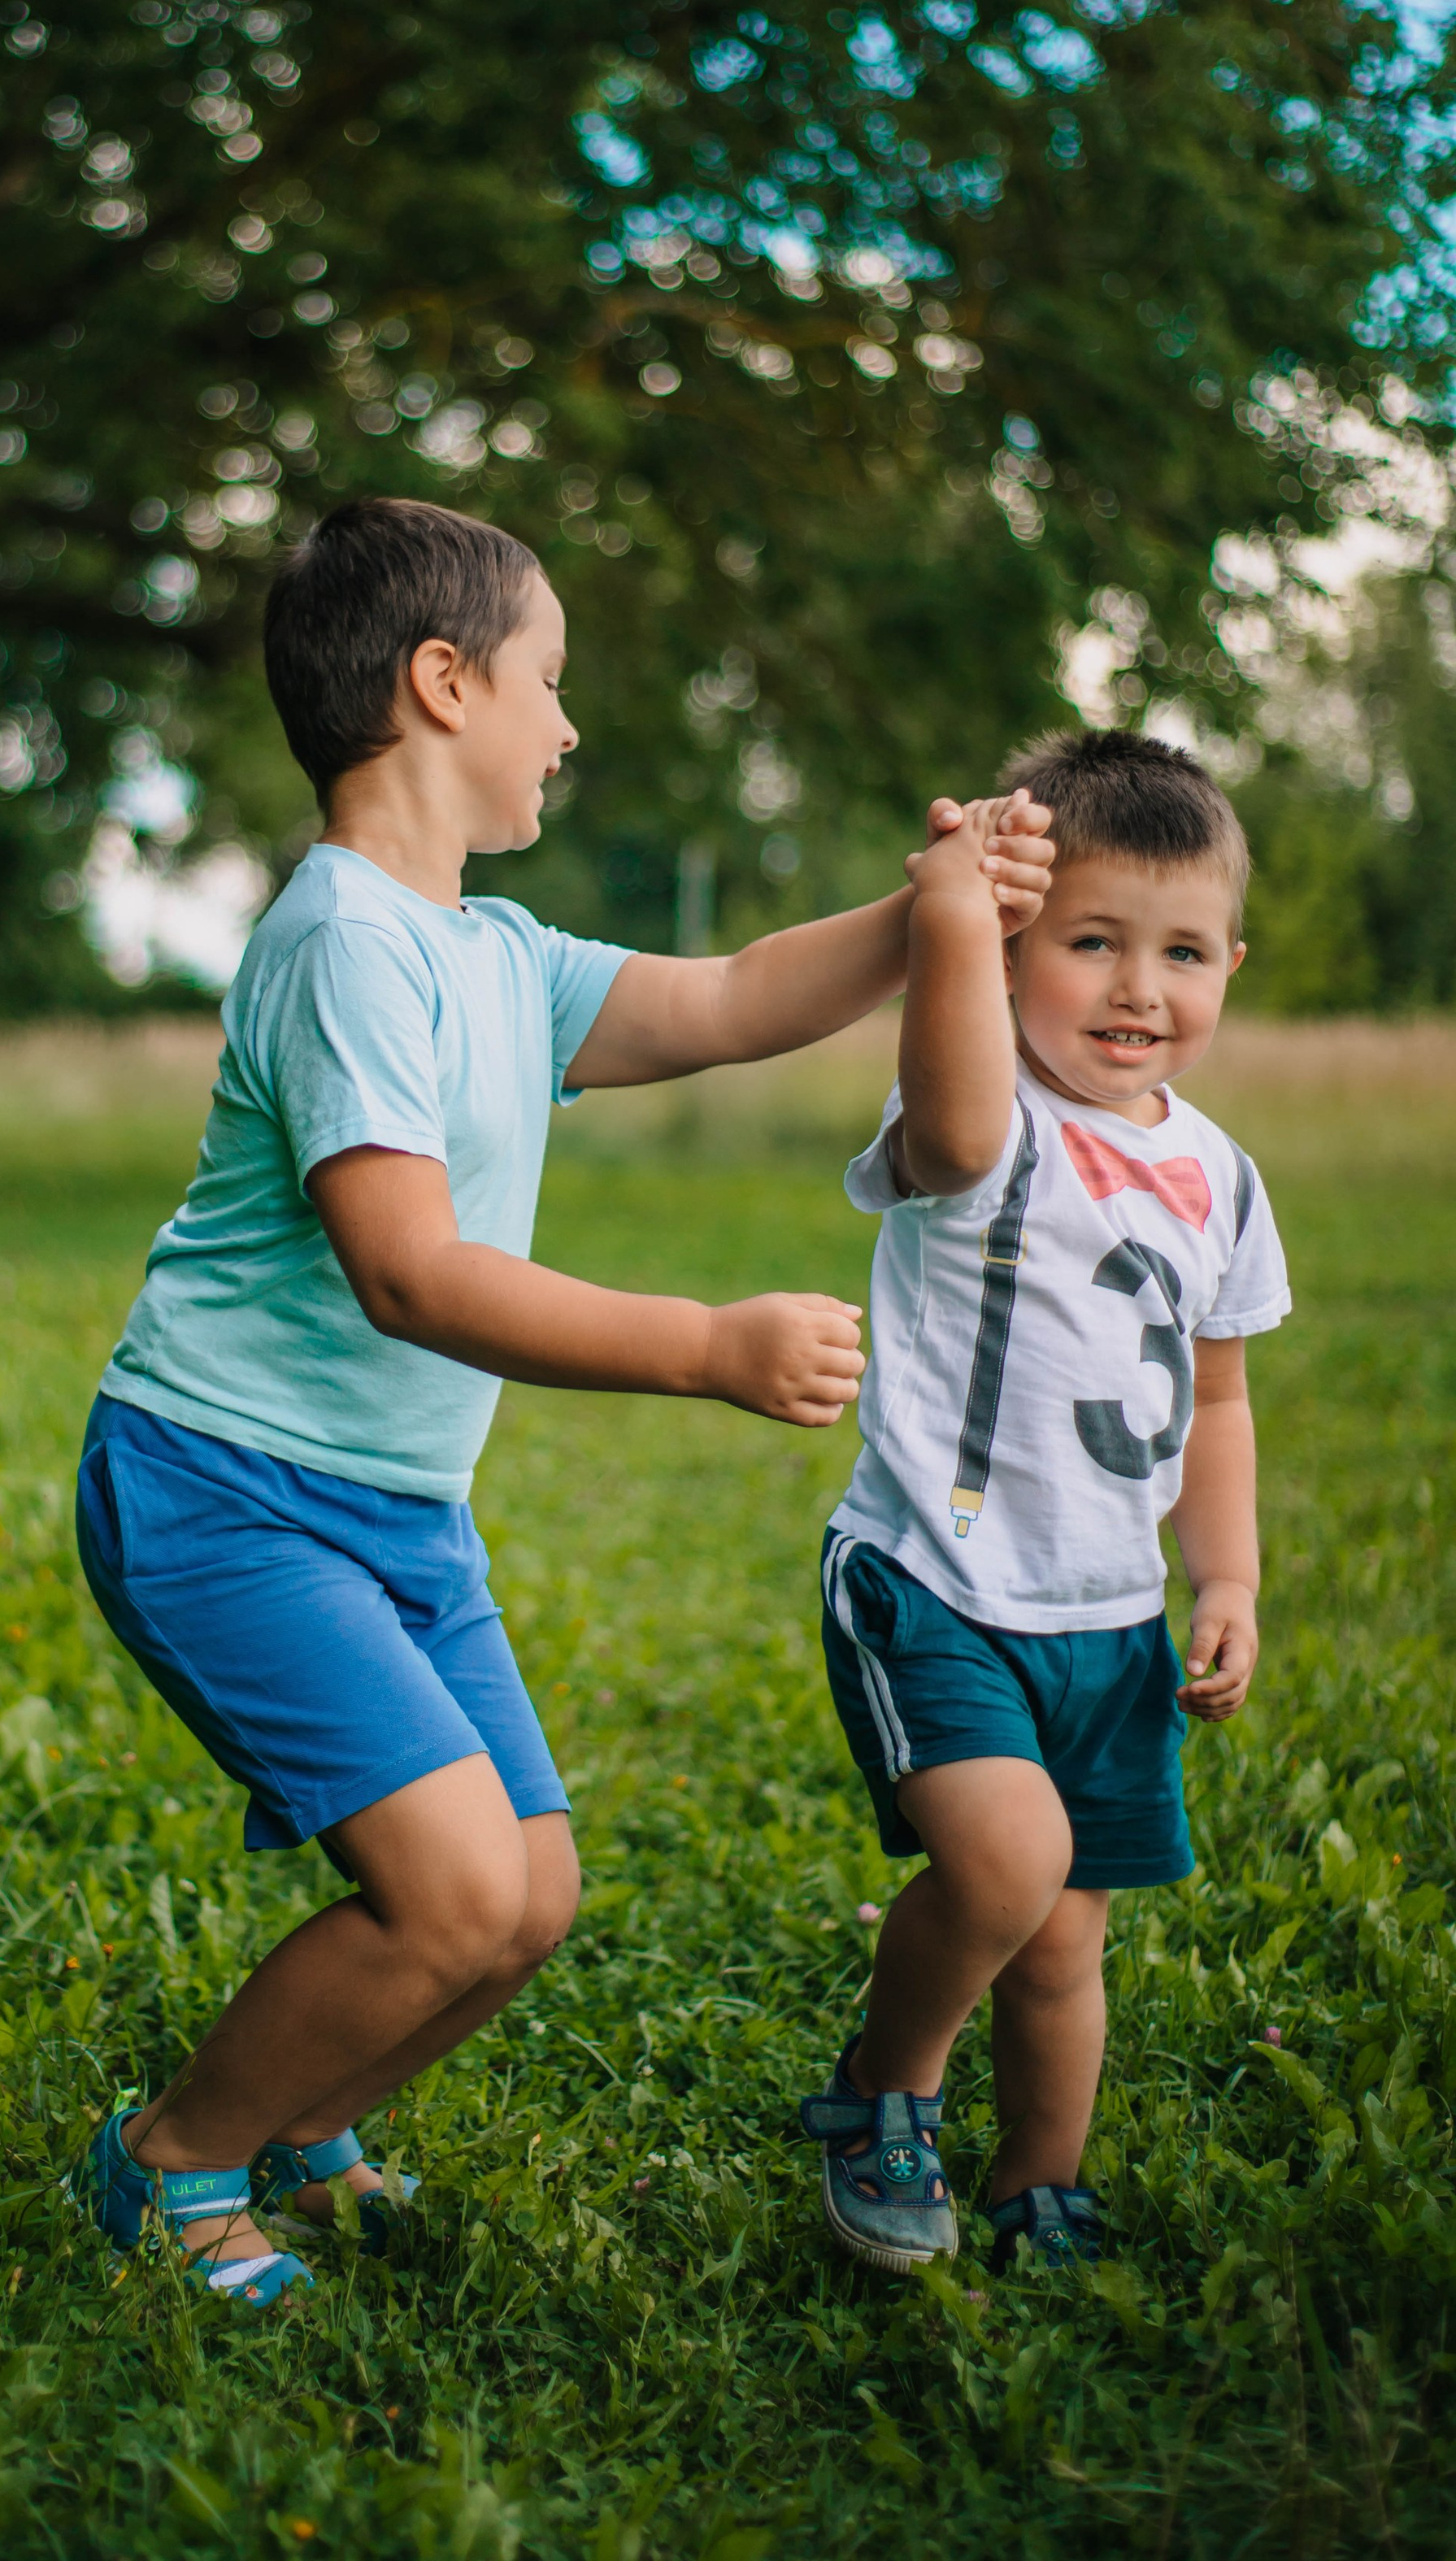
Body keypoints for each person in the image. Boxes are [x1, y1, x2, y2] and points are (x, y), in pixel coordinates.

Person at [72, 497, 1054, 2304]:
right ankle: (170, 2163)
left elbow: (742, 996)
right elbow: (408, 1271)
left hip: (390, 1509)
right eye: (551, 683)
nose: (569, 724)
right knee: (449, 1893)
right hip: (224, 1487)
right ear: (442, 684)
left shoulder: (492, 957)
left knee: (526, 1902)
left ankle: (304, 2129)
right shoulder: (342, 944)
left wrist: (931, 906)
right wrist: (696, 1344)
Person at [800, 727, 1290, 2278]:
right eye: (1092, 943)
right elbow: (944, 1132)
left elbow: (1216, 1397)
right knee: (1005, 1869)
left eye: (1185, 952)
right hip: (936, 1583)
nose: (1142, 990)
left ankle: (1039, 2184)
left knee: (1067, 1934)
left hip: (1107, 1617)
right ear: (1016, 946)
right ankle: (885, 2088)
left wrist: (1228, 1580)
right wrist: (955, 917)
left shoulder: (1224, 1177)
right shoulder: (989, 1111)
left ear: (1229, 963)